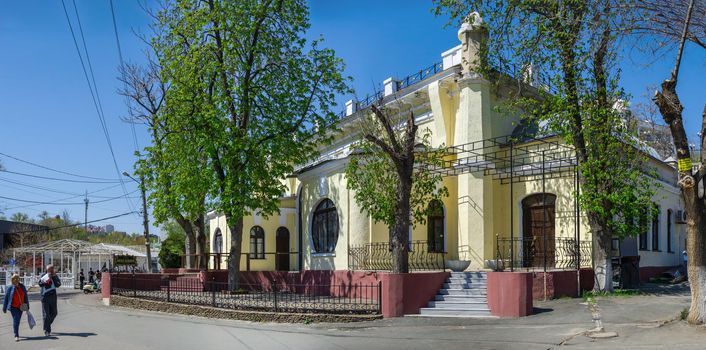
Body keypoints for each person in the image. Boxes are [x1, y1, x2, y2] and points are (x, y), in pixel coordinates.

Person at [3, 274, 29, 342]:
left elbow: (25, 297)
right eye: (14, 278)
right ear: (12, 280)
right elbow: (6, 298)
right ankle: (16, 335)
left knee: (17, 321)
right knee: (16, 320)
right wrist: (4, 308)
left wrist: (27, 307)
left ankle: (16, 331)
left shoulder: (22, 287)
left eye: (17, 278)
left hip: (21, 307)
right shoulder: (10, 288)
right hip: (13, 307)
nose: (16, 280)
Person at [38, 264, 61, 337]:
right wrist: (46, 280)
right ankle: (47, 330)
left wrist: (53, 277)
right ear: (47, 269)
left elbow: (58, 285)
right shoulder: (43, 275)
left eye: (52, 269)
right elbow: (40, 284)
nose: (51, 271)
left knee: (54, 313)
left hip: (53, 296)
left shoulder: (55, 276)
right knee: (46, 314)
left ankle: (47, 325)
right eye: (50, 269)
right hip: (45, 297)